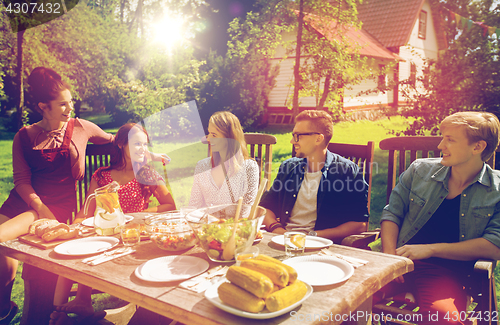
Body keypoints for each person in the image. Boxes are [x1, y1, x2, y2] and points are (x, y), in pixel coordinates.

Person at [0, 67, 115, 325]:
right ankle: (5, 307)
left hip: (56, 207)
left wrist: (146, 152)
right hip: (27, 201)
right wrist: (38, 206)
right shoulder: (23, 136)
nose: (69, 108)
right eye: (63, 104)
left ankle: (5, 312)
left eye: (70, 102)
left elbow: (117, 140)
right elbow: (21, 181)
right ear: (44, 106)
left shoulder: (81, 127)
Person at [379, 112, 500, 324]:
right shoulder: (419, 170)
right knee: (339, 293)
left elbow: (494, 245)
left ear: (477, 147)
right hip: (396, 259)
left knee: (445, 319)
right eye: (442, 137)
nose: (440, 145)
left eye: (450, 140)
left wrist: (430, 249)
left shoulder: (496, 190)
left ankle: (409, 293)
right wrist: (390, 258)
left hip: (443, 272)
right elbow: (392, 212)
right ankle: (404, 292)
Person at [50, 123, 176, 325]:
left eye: (145, 145)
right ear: (120, 145)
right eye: (136, 144)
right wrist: (75, 226)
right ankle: (61, 309)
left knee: (92, 243)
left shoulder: (146, 174)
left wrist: (138, 214)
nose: (142, 150)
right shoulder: (102, 175)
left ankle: (79, 302)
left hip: (132, 238)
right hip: (106, 232)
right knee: (70, 248)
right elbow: (87, 209)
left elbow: (170, 205)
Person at [261, 110, 368, 243]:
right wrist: (276, 227)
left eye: (297, 136)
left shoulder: (347, 172)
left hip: (323, 246)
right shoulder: (288, 167)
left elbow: (360, 225)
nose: (291, 141)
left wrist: (313, 236)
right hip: (283, 240)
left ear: (318, 138)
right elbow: (266, 207)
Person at [189, 111, 259, 208]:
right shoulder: (202, 166)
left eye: (214, 135)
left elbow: (245, 210)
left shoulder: (249, 167)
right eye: (209, 133)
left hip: (236, 223)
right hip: (206, 222)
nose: (208, 139)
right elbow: (193, 206)